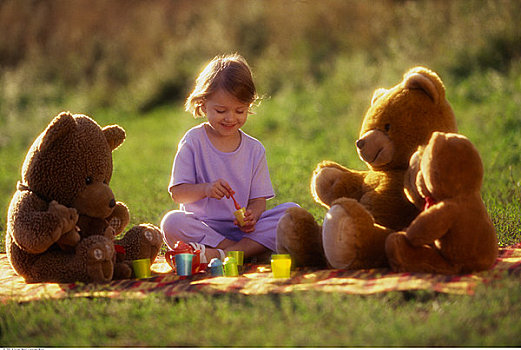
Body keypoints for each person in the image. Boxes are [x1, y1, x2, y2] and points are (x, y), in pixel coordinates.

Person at [160, 53, 299, 264]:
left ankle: (220, 255)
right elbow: (178, 194)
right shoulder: (193, 141)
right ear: (204, 104)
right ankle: (245, 252)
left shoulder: (255, 149)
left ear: (249, 105)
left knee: (292, 213)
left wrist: (252, 216)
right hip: (204, 229)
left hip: (242, 231)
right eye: (221, 110)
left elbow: (258, 201)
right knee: (171, 222)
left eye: (240, 111)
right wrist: (206, 189)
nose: (230, 118)